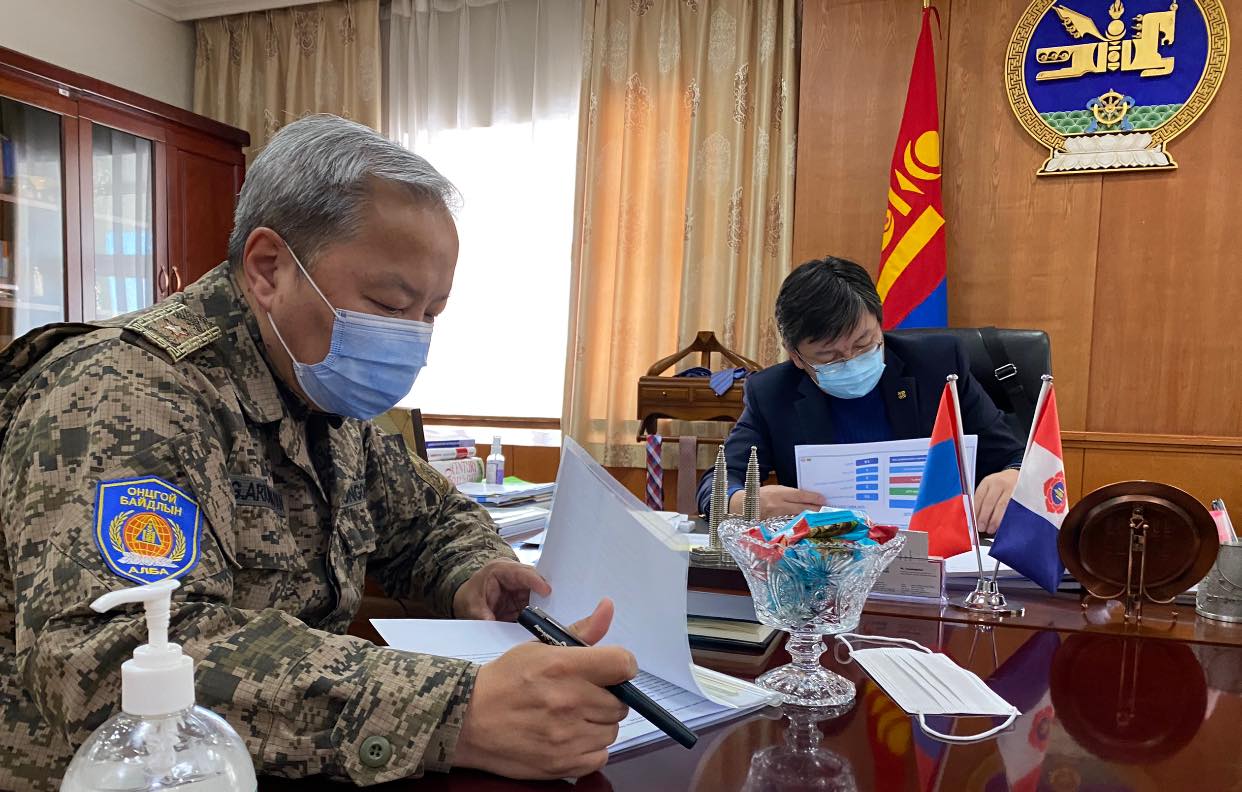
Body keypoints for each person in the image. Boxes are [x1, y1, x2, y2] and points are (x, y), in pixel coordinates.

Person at [0, 115, 634, 790]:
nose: (412, 339)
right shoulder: (124, 393)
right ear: (268, 269)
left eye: (431, 314)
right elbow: (115, 658)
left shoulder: (320, 392)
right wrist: (454, 710)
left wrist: (473, 573)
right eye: (389, 304)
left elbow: (429, 521)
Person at [697, 256, 1024, 533]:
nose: (850, 360)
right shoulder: (772, 392)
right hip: (830, 563)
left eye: (863, 343)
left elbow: (1017, 457)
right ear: (796, 356)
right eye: (829, 356)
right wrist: (743, 502)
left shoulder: (938, 367)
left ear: (879, 323)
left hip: (938, 551)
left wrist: (1013, 477)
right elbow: (716, 483)